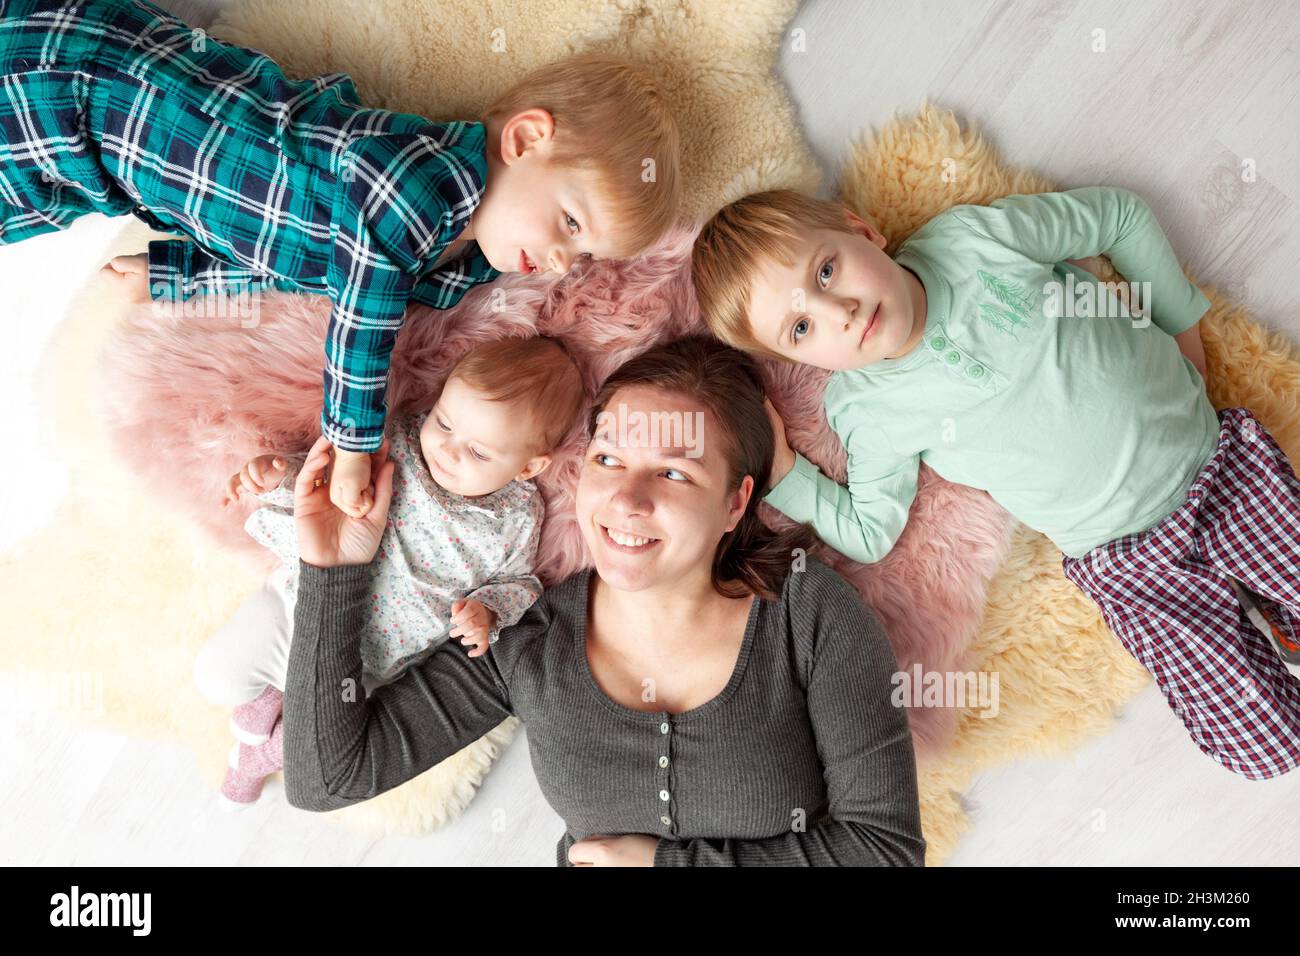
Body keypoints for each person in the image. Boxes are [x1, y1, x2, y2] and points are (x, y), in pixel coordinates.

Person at [691, 186, 1300, 780]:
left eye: (826, 272)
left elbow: (1119, 217)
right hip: (1126, 562)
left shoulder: (973, 241)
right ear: (804, 362)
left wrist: (1182, 328)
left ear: (861, 231)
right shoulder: (868, 411)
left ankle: (1278, 613)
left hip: (1215, 469)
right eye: (801, 329)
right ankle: (1259, 629)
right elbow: (869, 531)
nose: (839, 312)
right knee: (1261, 745)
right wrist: (785, 473)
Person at [0, 0, 681, 516]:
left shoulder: (449, 258)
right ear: (527, 138)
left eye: (582, 251)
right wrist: (355, 447)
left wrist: (178, 274)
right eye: (569, 222)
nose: (563, 260)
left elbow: (295, 264)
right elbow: (357, 323)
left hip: (95, 170)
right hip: (87, 90)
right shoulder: (414, 182)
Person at [280, 336, 926, 866]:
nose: (628, 499)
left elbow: (885, 851)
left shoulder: (807, 615)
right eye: (609, 458)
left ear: (735, 502)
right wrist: (334, 569)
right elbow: (328, 778)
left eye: (674, 473)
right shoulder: (526, 638)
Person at [193, 336, 585, 809]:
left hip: (375, 659)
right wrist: (277, 477)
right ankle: (261, 705)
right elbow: (331, 491)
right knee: (216, 677)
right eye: (444, 422)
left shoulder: (516, 518)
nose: (449, 450)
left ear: (528, 467)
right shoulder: (400, 442)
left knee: (320, 743)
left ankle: (255, 759)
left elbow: (520, 583)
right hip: (298, 602)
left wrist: (487, 611)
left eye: (479, 453)